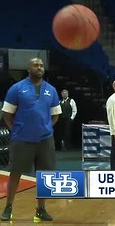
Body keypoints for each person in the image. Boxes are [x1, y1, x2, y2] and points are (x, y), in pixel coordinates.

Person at [1, 57, 61, 221]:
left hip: (45, 141)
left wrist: (47, 127)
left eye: (41, 65)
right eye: (36, 65)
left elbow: (55, 114)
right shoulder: (17, 88)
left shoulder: (51, 90)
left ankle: (41, 210)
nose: (39, 68)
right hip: (22, 140)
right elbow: (7, 113)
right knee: (15, 174)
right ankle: (8, 208)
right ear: (29, 69)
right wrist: (16, 129)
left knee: (44, 176)